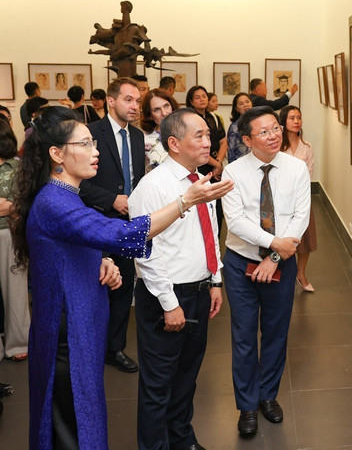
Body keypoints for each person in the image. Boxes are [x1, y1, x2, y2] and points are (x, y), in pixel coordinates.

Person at [10, 106, 229, 450]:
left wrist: (100, 260)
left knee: (81, 412)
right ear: (57, 154)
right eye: (85, 144)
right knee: (73, 422)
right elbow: (124, 234)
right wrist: (186, 201)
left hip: (81, 321)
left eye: (94, 143)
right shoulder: (56, 200)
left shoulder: (66, 196)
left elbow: (74, 242)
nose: (96, 152)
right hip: (68, 328)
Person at [130, 108, 231, 450]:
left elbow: (210, 235)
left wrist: (215, 280)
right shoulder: (152, 186)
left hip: (200, 291)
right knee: (159, 384)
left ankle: (181, 439)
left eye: (208, 134)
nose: (209, 141)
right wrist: (169, 303)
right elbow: (145, 250)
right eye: (199, 135)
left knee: (187, 377)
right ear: (173, 143)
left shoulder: (200, 179)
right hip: (165, 297)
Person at [221, 106, 310, 436]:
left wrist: (274, 255)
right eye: (265, 131)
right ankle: (246, 405)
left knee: (276, 332)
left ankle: (267, 396)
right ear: (247, 139)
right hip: (240, 262)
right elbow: (237, 222)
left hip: (281, 264)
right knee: (243, 337)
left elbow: (300, 215)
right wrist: (275, 243)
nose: (274, 135)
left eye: (276, 128)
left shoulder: (296, 168)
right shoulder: (232, 172)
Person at [79, 77, 145, 374]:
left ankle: (114, 348)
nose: (135, 106)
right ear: (111, 100)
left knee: (124, 286)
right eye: (129, 100)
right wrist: (111, 200)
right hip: (96, 220)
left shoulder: (138, 136)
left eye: (138, 101)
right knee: (96, 286)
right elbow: (74, 182)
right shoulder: (90, 133)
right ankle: (87, 346)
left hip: (128, 224)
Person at [0, 120, 30, 363]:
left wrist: (10, 207)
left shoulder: (18, 167)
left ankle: (18, 341)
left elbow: (24, 202)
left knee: (15, 290)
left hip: (9, 233)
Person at [280, 105, 317, 292]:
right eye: (292, 118)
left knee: (306, 241)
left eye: (299, 118)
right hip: (280, 200)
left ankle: (301, 274)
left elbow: (308, 175)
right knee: (282, 238)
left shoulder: (307, 147)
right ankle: (281, 275)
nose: (296, 121)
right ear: (283, 122)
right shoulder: (277, 146)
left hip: (302, 199)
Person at [186, 86, 226, 179]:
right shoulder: (189, 119)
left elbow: (223, 141)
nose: (202, 99)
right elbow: (196, 147)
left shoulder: (214, 117)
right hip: (199, 164)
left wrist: (218, 163)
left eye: (204, 96)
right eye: (197, 97)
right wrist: (216, 164)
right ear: (191, 102)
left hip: (216, 162)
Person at [141, 89, 177, 172]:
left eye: (166, 106)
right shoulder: (143, 139)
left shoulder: (186, 133)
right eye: (156, 110)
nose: (164, 113)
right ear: (149, 115)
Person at [227, 92, 253, 162]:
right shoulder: (235, 127)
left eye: (247, 102)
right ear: (236, 109)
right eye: (241, 104)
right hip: (241, 164)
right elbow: (231, 152)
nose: (245, 105)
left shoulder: (258, 122)